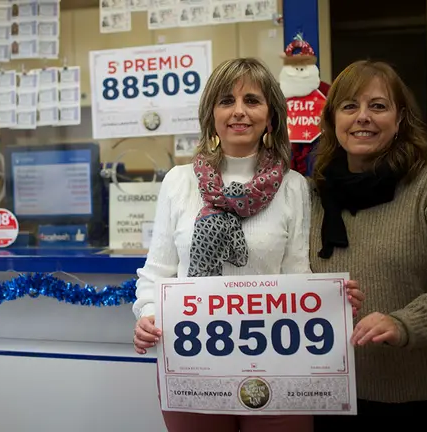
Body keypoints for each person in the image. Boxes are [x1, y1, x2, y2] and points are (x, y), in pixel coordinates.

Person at [131, 57, 364, 432]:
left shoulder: (294, 187)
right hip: (194, 366)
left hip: (278, 367)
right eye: (226, 101)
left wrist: (330, 302)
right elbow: (158, 273)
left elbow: (296, 274)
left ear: (270, 116)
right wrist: (146, 315)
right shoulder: (178, 182)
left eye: (252, 101)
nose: (239, 111)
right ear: (212, 116)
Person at [308, 60, 427, 430]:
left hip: (419, 400)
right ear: (332, 120)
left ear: (400, 118)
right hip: (331, 397)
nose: (363, 117)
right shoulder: (312, 195)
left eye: (378, 106)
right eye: (349, 106)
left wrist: (403, 323)